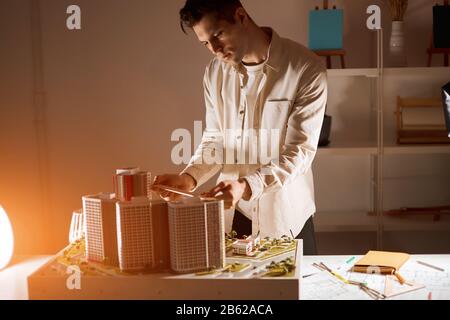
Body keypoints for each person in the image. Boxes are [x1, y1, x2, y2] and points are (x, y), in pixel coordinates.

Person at [152, 0, 327, 255]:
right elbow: (216, 140)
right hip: (234, 218)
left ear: (241, 16)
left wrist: (246, 186)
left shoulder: (306, 68)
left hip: (287, 220)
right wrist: (189, 178)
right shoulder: (214, 73)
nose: (214, 49)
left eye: (218, 34)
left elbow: (299, 153)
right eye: (205, 43)